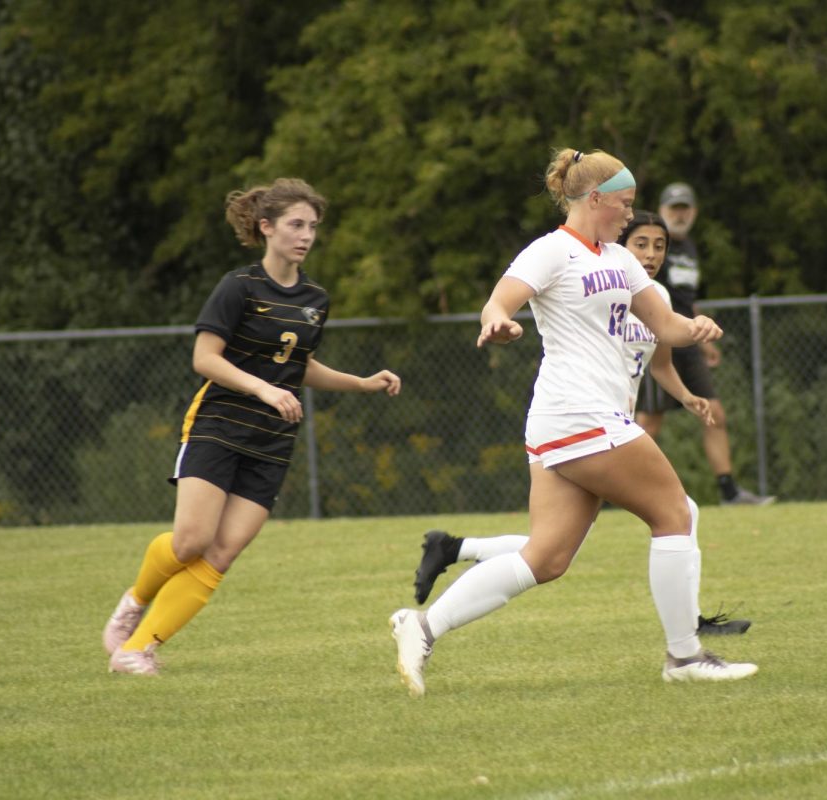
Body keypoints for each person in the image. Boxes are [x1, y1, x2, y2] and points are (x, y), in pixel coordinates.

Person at [390, 149, 758, 696]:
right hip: (577, 411)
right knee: (675, 513)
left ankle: (422, 626)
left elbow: (665, 326)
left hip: (569, 420)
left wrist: (696, 326)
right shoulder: (552, 251)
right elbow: (500, 301)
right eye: (626, 205)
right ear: (595, 199)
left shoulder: (619, 257)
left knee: (546, 558)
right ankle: (685, 656)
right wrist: (499, 325)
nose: (631, 216)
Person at [101, 178, 402, 675]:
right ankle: (135, 600)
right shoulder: (238, 287)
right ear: (266, 227)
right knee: (190, 542)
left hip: (272, 441)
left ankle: (137, 649)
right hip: (219, 424)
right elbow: (205, 358)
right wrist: (262, 388)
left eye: (312, 227)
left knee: (220, 554)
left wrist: (362, 383)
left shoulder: (314, 299)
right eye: (295, 225)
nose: (305, 235)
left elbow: (296, 364)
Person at [635, 181, 774, 506]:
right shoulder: (651, 248)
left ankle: (729, 492)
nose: (679, 215)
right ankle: (617, 490)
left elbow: (684, 301)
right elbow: (653, 301)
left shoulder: (689, 249)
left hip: (688, 339)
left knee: (714, 412)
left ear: (694, 212)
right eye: (673, 209)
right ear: (662, 210)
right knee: (648, 422)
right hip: (658, 334)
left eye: (684, 209)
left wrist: (702, 337)